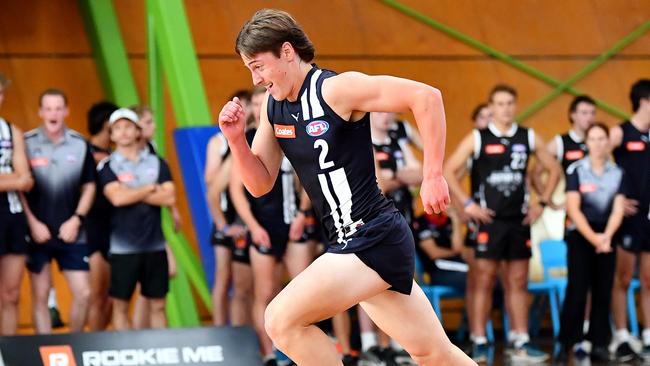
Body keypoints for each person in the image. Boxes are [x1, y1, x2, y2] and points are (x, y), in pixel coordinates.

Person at [218, 9, 473, 366]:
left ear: (287, 52)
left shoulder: (335, 89)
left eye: (258, 65)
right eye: (250, 69)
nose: (256, 78)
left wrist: (432, 174)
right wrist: (236, 142)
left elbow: (426, 97)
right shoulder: (274, 108)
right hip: (352, 244)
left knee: (280, 320)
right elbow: (260, 184)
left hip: (372, 235)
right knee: (433, 354)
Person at [444, 84, 561, 363]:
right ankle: (480, 340)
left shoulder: (528, 136)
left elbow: (554, 168)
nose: (505, 108)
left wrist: (541, 203)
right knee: (483, 280)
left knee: (518, 281)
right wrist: (468, 204)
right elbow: (448, 170)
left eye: (510, 103)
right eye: (500, 104)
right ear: (491, 107)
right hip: (488, 221)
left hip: (518, 220)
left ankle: (520, 341)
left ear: (515, 106)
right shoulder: (478, 137)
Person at [229, 99, 313, 366]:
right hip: (264, 224)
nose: (260, 108)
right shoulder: (250, 138)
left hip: (293, 222)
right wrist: (253, 227)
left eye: (264, 102)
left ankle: (299, 351)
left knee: (305, 292)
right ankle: (270, 353)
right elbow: (236, 190)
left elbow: (310, 177)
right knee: (266, 291)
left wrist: (302, 213)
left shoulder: (292, 130)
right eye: (255, 104)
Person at [23, 89, 96, 334]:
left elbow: (89, 186)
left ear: (66, 111)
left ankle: (73, 345)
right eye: (48, 108)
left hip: (72, 231)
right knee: (40, 294)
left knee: (84, 293)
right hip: (37, 233)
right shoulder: (26, 143)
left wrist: (76, 220)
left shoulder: (79, 143)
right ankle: (45, 351)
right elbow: (20, 189)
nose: (53, 113)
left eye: (58, 108)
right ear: (40, 112)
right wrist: (32, 223)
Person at [553, 123, 625, 364]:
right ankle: (567, 343)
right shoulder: (576, 170)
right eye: (593, 139)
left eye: (602, 138)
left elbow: (618, 208)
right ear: (587, 143)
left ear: (607, 142)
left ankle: (599, 343)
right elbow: (573, 209)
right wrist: (595, 239)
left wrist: (606, 236)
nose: (598, 143)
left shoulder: (617, 172)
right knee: (577, 290)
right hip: (581, 237)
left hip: (607, 235)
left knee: (604, 290)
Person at [98, 108, 175, 330]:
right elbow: (117, 199)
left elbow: (169, 196)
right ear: (111, 134)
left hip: (155, 245)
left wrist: (131, 191)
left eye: (128, 126)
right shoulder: (107, 165)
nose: (123, 133)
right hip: (123, 248)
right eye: (117, 128)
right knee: (121, 306)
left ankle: (162, 355)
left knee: (158, 305)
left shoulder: (157, 162)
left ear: (137, 131)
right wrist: (150, 188)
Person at [205, 89, 257, 326]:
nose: (249, 110)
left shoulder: (258, 137)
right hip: (231, 218)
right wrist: (223, 225)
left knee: (251, 285)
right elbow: (212, 186)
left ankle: (253, 338)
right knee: (224, 277)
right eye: (247, 105)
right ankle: (221, 332)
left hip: (250, 218)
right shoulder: (221, 142)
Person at [609, 79, 650, 362]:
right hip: (627, 219)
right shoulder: (620, 132)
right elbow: (595, 160)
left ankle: (648, 333)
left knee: (649, 278)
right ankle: (622, 334)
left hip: (649, 218)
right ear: (644, 101)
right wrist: (617, 199)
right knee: (622, 278)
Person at [0, 73, 34, 335]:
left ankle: (6, 354)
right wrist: (14, 177)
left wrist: (14, 179)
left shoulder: (12, 131)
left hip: (11, 215)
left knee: (11, 294)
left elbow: (26, 180)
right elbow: (18, 176)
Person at [85, 101, 118, 331]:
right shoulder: (85, 153)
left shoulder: (116, 156)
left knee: (113, 296)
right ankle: (91, 346)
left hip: (117, 227)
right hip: (93, 227)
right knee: (97, 294)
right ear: (107, 123)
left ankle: (102, 340)